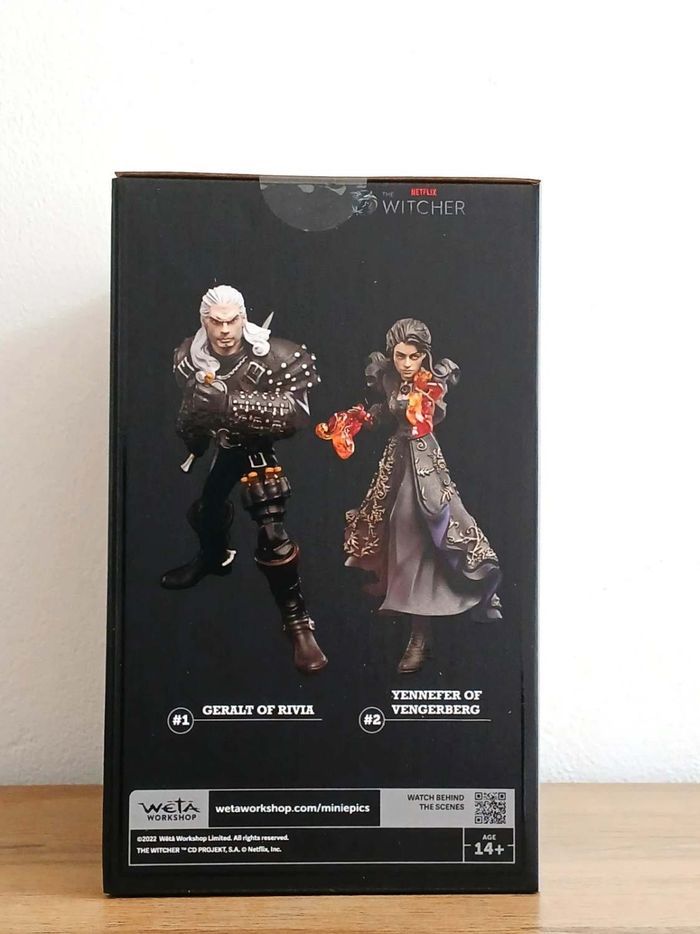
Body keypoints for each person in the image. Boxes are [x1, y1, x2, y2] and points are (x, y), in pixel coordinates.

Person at [161, 284, 327, 674]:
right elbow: (190, 409)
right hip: (224, 446)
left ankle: (297, 622)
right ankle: (212, 558)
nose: (224, 330)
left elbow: (296, 414)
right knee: (208, 511)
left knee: (272, 532)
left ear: (244, 318)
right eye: (216, 322)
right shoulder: (189, 357)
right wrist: (194, 432)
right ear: (204, 321)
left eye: (232, 320)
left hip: (257, 447)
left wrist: (230, 402)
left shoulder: (277, 356)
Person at [339, 318, 502, 674]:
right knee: (390, 526)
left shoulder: (432, 383)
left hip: (423, 461)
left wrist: (422, 403)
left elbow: (428, 414)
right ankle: (408, 611)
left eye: (414, 357)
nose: (407, 363)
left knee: (423, 526)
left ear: (424, 356)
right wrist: (360, 419)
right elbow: (387, 411)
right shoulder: (390, 379)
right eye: (400, 356)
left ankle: (421, 632)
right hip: (396, 460)